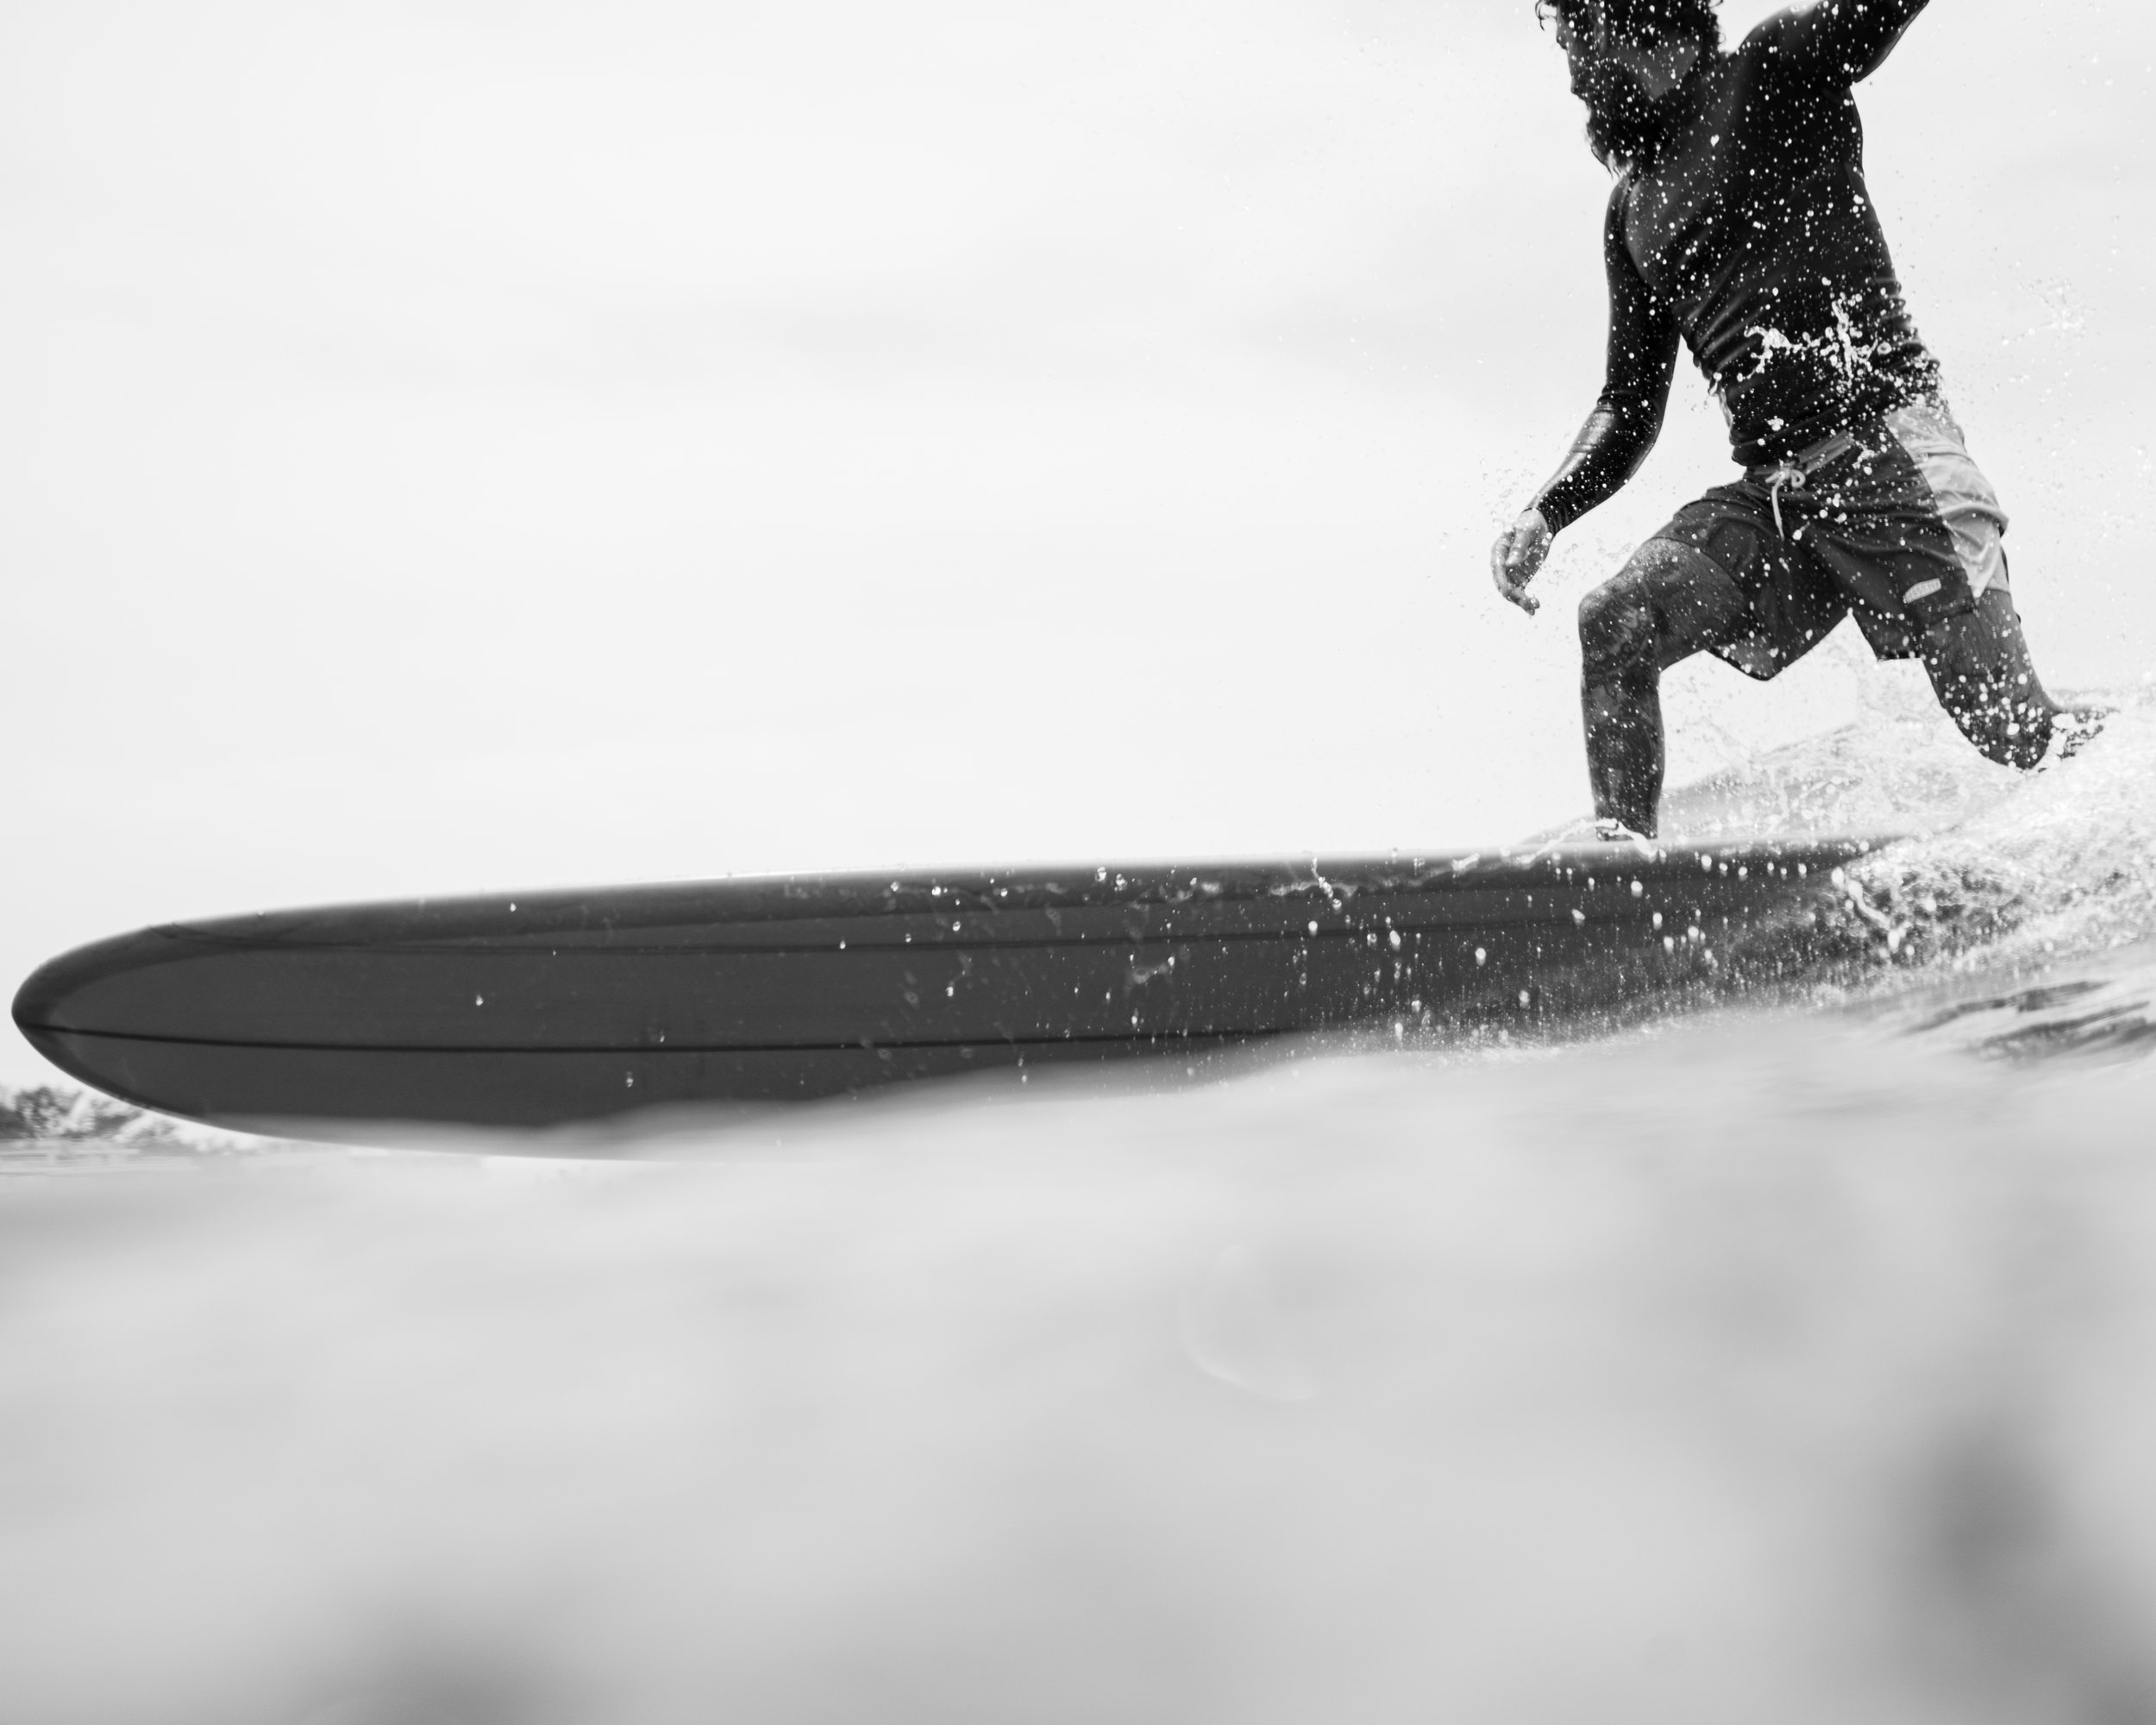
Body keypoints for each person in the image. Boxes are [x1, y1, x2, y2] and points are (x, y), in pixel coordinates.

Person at [1490, 0, 2094, 841]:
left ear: (1627, 23)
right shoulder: (1632, 209)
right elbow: (1627, 406)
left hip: (1890, 459)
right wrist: (1545, 510)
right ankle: (1624, 867)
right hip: (1777, 502)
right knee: (1617, 618)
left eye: (1573, 43)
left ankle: (2130, 786)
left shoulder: (1772, 72)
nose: (1570, 75)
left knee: (2009, 725)